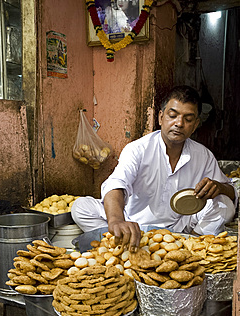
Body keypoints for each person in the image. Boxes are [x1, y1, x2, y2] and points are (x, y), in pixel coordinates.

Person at [71, 85, 238, 251]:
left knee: (224, 205)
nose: (179, 123)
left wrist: (219, 187)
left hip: (182, 227)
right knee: (81, 207)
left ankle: (190, 247)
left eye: (188, 119)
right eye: (172, 115)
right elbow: (116, 184)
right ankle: (122, 237)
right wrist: (117, 220)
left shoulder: (203, 155)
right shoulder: (138, 149)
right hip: (134, 223)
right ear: (160, 117)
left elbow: (231, 193)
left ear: (195, 125)